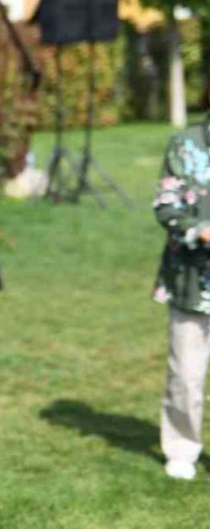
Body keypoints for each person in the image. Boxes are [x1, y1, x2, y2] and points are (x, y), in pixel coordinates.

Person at [152, 118, 210, 480]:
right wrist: (201, 231)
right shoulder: (186, 144)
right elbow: (166, 205)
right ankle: (182, 446)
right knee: (186, 373)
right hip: (191, 279)